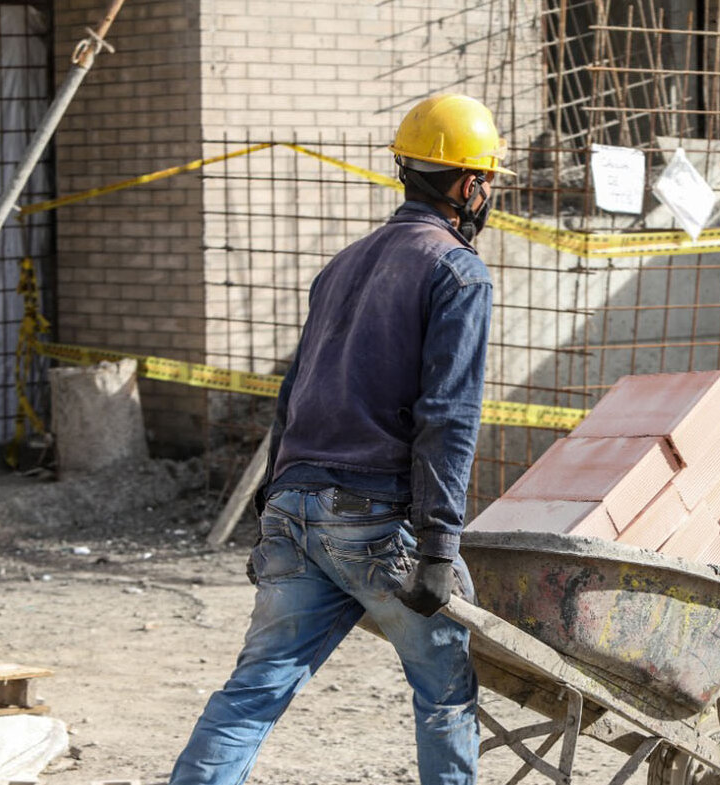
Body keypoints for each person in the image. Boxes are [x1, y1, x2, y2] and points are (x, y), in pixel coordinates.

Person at [168, 93, 512, 785]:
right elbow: (446, 416)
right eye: (487, 182)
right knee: (445, 692)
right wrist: (439, 546)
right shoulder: (456, 271)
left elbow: (293, 395)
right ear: (468, 184)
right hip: (376, 521)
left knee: (255, 689)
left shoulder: (344, 264)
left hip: (296, 508)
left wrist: (271, 511)